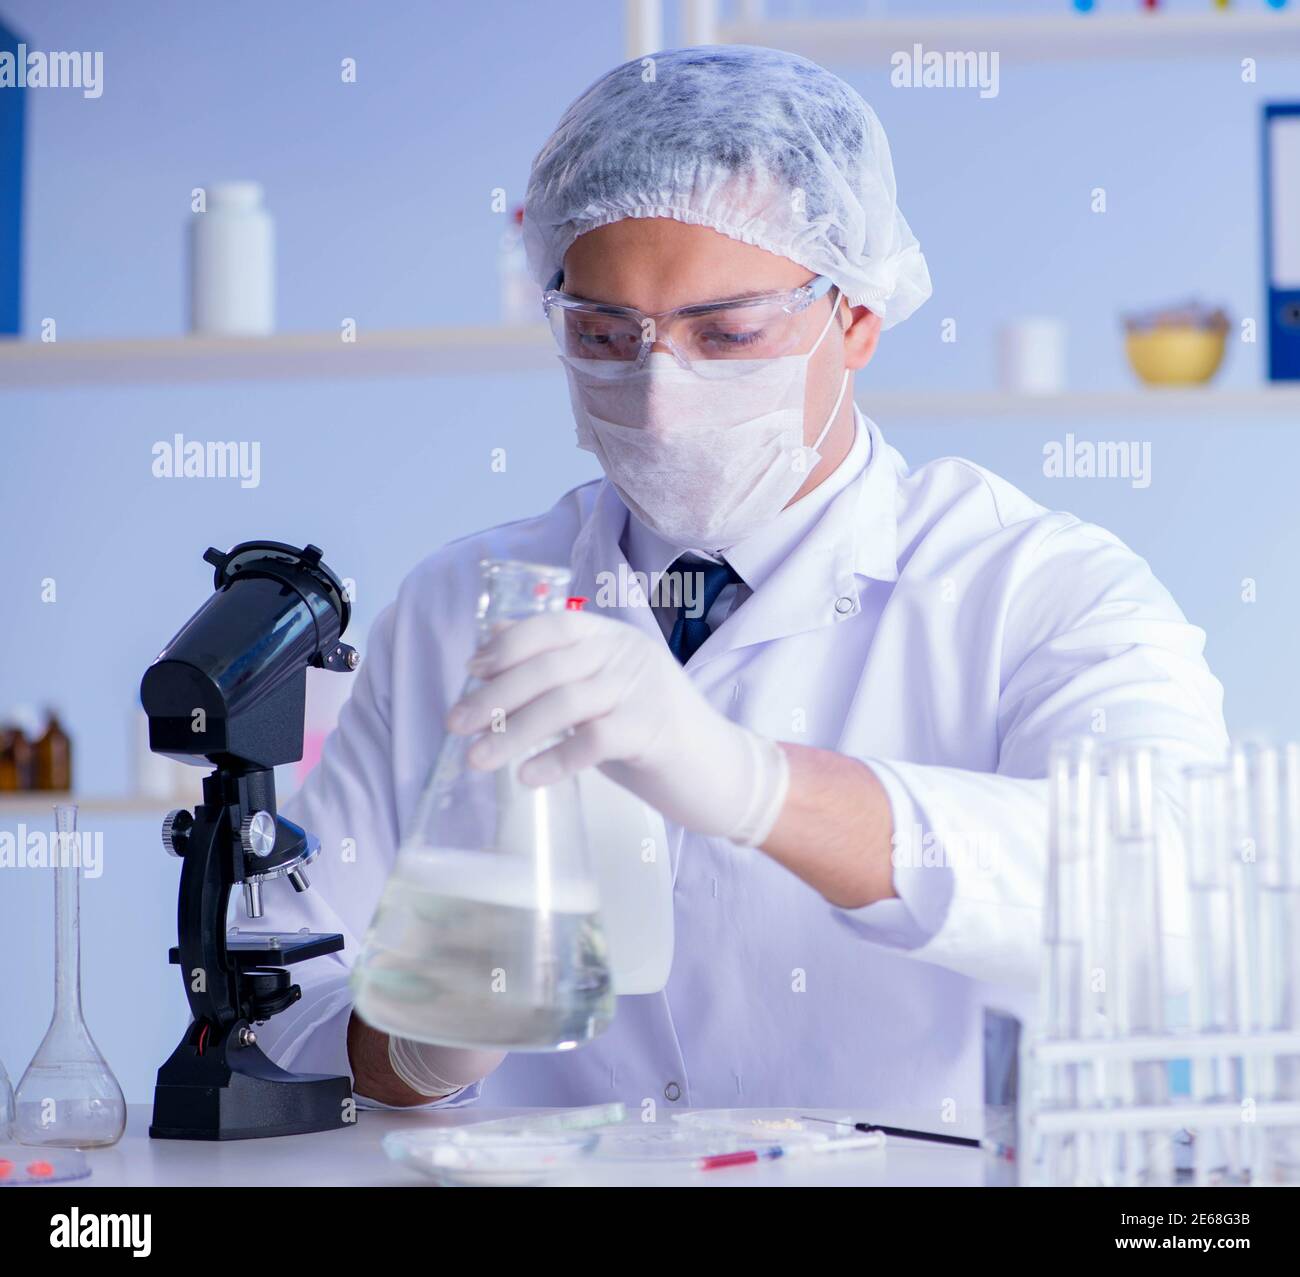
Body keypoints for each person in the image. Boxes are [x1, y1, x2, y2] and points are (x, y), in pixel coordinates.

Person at [254, 46, 1227, 1125]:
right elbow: (286, 1005)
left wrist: (753, 783)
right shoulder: (457, 603)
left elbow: (1161, 892)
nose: (660, 394)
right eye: (604, 336)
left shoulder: (1038, 587)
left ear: (854, 315)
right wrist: (429, 1040)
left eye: (727, 334)